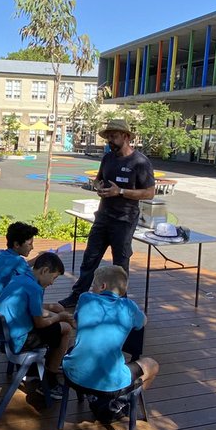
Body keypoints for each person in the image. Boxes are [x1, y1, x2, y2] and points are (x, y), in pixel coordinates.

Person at [58, 118, 155, 309]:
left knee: (120, 263)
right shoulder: (108, 158)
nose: (110, 140)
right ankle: (78, 295)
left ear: (126, 137)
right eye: (108, 136)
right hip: (103, 216)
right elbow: (97, 180)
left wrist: (120, 191)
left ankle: (119, 302)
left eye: (114, 136)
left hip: (124, 220)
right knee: (90, 258)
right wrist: (98, 187)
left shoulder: (140, 162)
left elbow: (150, 193)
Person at [62, 265, 157, 420]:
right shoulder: (129, 307)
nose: (92, 288)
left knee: (77, 345)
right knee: (152, 365)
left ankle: (96, 398)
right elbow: (143, 321)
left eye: (93, 285)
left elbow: (78, 321)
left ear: (102, 286)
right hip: (109, 382)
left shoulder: (85, 298)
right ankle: (122, 402)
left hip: (72, 374)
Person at [0, 252, 74, 396]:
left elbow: (30, 308)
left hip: (1, 334)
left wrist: (55, 312)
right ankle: (51, 379)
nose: (52, 283)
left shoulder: (20, 279)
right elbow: (40, 323)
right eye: (53, 278)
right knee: (66, 329)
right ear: (44, 271)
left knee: (57, 312)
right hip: (18, 341)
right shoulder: (35, 289)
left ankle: (47, 363)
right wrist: (59, 317)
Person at [0, 221, 36, 309]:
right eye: (30, 244)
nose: (32, 247)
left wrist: (36, 259)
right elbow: (35, 281)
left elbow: (21, 266)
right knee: (54, 308)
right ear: (17, 244)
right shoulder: (19, 262)